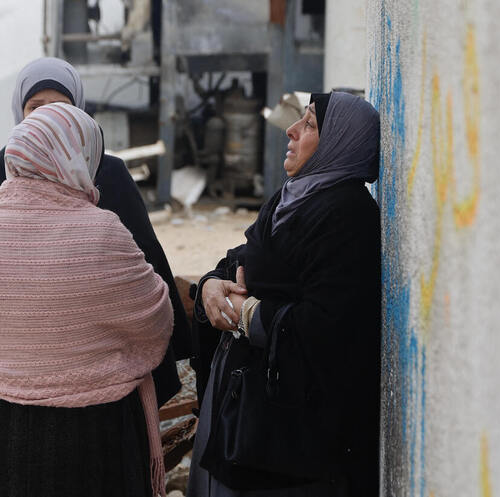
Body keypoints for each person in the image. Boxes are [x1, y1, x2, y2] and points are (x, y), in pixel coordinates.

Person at [0, 57, 191, 496]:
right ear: (20, 112)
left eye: (63, 107)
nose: (51, 117)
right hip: (85, 418)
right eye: (37, 107)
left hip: (14, 407)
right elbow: (153, 316)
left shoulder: (107, 172)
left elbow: (145, 283)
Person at [188, 92, 382, 496]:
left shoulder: (348, 216)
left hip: (289, 444)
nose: (291, 131)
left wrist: (248, 315)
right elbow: (241, 259)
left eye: (309, 124)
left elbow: (329, 327)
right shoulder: (290, 198)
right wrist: (209, 285)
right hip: (245, 417)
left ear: (339, 143)